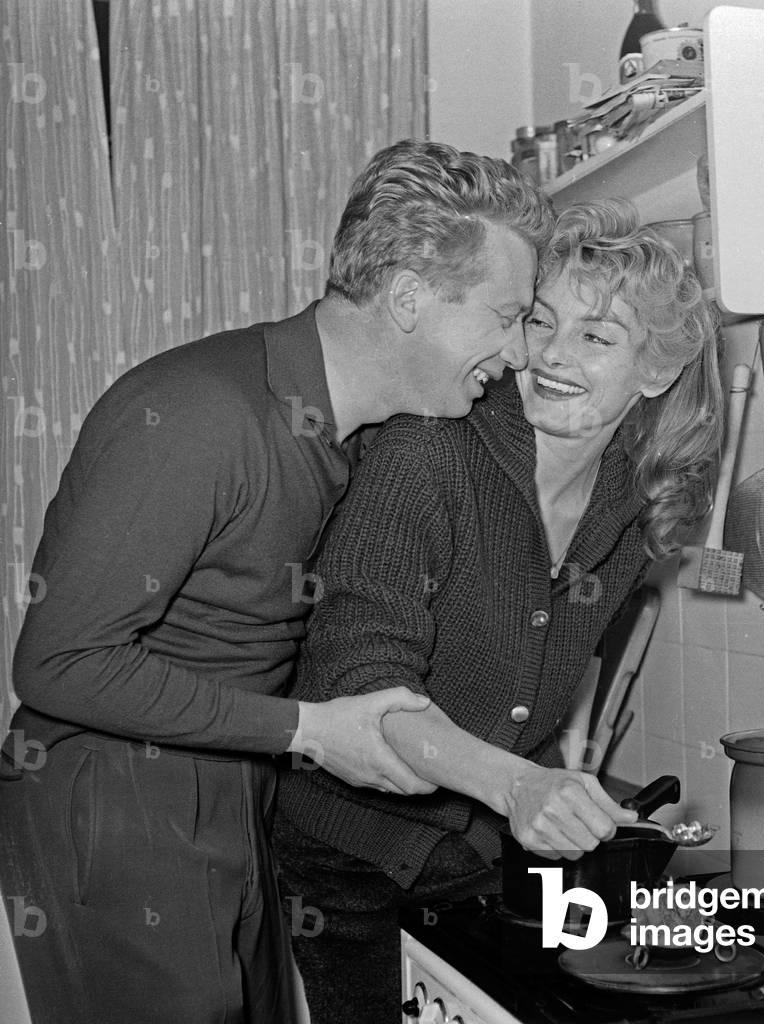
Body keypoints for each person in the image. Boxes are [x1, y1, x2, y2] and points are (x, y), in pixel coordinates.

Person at [0, 138, 553, 1024]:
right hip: (120, 804)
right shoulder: (201, 416)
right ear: (410, 297)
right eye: (506, 316)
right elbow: (57, 663)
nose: (518, 353)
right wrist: (308, 731)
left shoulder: (344, 434)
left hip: (233, 785)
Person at [273, 198, 724, 1022]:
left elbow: (525, 683)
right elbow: (358, 679)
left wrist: (553, 791)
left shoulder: (631, 506)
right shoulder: (429, 451)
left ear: (654, 371)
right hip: (346, 853)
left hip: (472, 848)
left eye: (596, 337)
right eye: (541, 322)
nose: (550, 356)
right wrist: (520, 787)